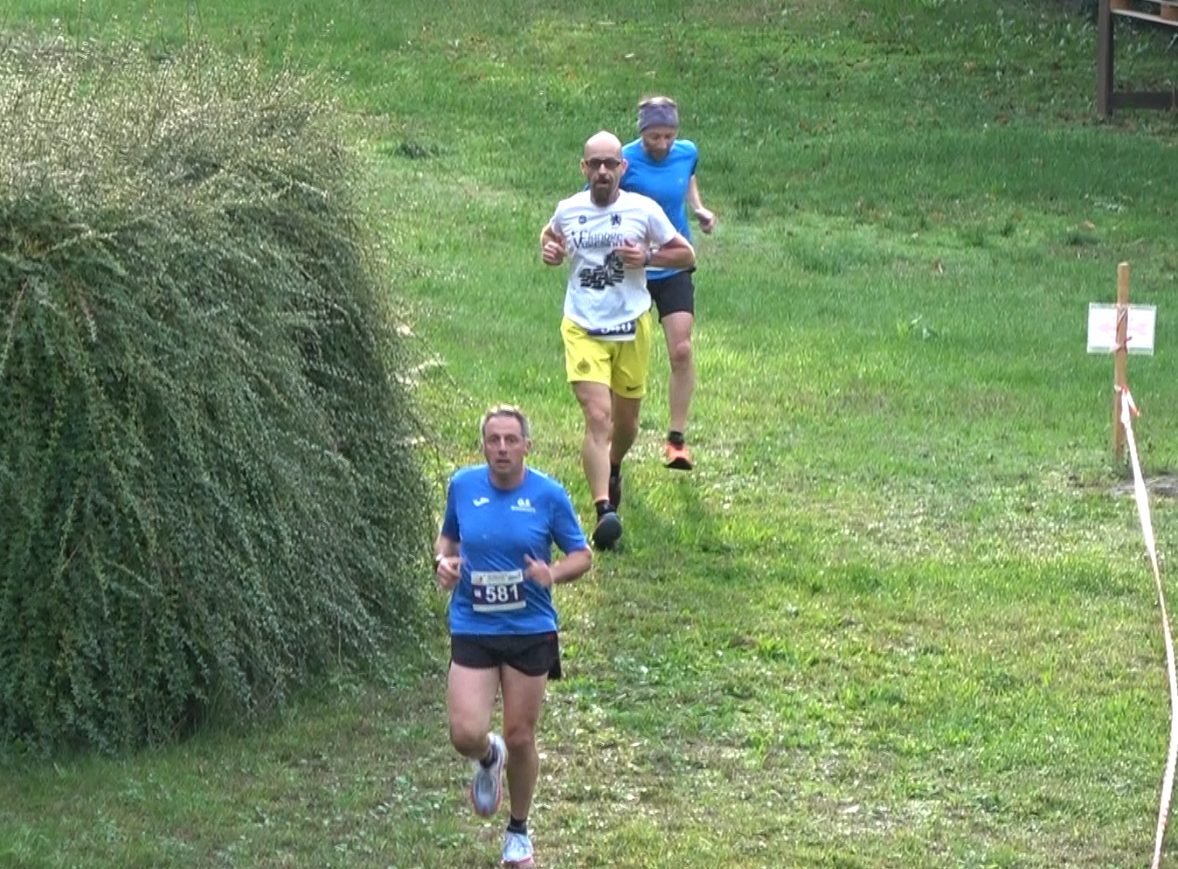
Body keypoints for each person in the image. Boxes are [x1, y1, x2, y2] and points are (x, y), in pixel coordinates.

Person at [435, 404, 592, 868]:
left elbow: (582, 555)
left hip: (529, 629)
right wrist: (441, 564)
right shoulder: (463, 486)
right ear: (483, 445)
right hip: (474, 625)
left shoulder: (548, 494)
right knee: (465, 733)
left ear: (527, 445)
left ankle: (518, 832)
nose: (502, 448)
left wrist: (553, 573)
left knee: (521, 735)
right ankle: (487, 758)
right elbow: (447, 541)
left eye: (511, 440)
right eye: (493, 440)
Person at [540, 130, 696, 550]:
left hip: (630, 326)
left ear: (623, 168)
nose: (604, 171)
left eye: (611, 163)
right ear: (584, 169)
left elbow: (686, 255)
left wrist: (648, 258)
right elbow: (549, 235)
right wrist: (550, 251)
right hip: (583, 327)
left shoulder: (642, 210)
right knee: (598, 416)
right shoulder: (569, 209)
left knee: (625, 426)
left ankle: (612, 465)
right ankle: (603, 510)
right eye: (595, 164)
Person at [620, 95, 716, 472]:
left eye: (669, 136)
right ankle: (618, 427)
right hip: (633, 270)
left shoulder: (686, 151)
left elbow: (688, 177)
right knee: (626, 356)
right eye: (654, 137)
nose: (662, 145)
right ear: (641, 133)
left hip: (673, 262)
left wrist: (698, 209)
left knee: (681, 350)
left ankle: (676, 440)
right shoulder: (622, 159)